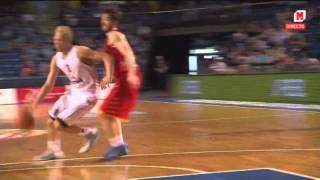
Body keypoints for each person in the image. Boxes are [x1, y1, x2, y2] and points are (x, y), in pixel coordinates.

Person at [32, 26, 112, 160]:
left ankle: (89, 132)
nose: (56, 42)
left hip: (87, 96)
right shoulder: (56, 58)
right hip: (72, 93)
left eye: (60, 40)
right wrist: (36, 101)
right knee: (50, 122)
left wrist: (108, 76)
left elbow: (106, 56)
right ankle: (54, 151)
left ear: (68, 40)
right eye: (55, 40)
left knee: (59, 124)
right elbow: (48, 84)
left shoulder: (80, 51)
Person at [98, 8, 142, 161]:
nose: (102, 21)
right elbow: (110, 63)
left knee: (104, 114)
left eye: (106, 19)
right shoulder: (108, 39)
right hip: (121, 80)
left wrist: (130, 74)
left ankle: (117, 145)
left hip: (127, 79)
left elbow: (129, 54)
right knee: (111, 114)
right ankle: (119, 145)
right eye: (102, 19)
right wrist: (107, 77)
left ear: (114, 22)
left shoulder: (117, 35)